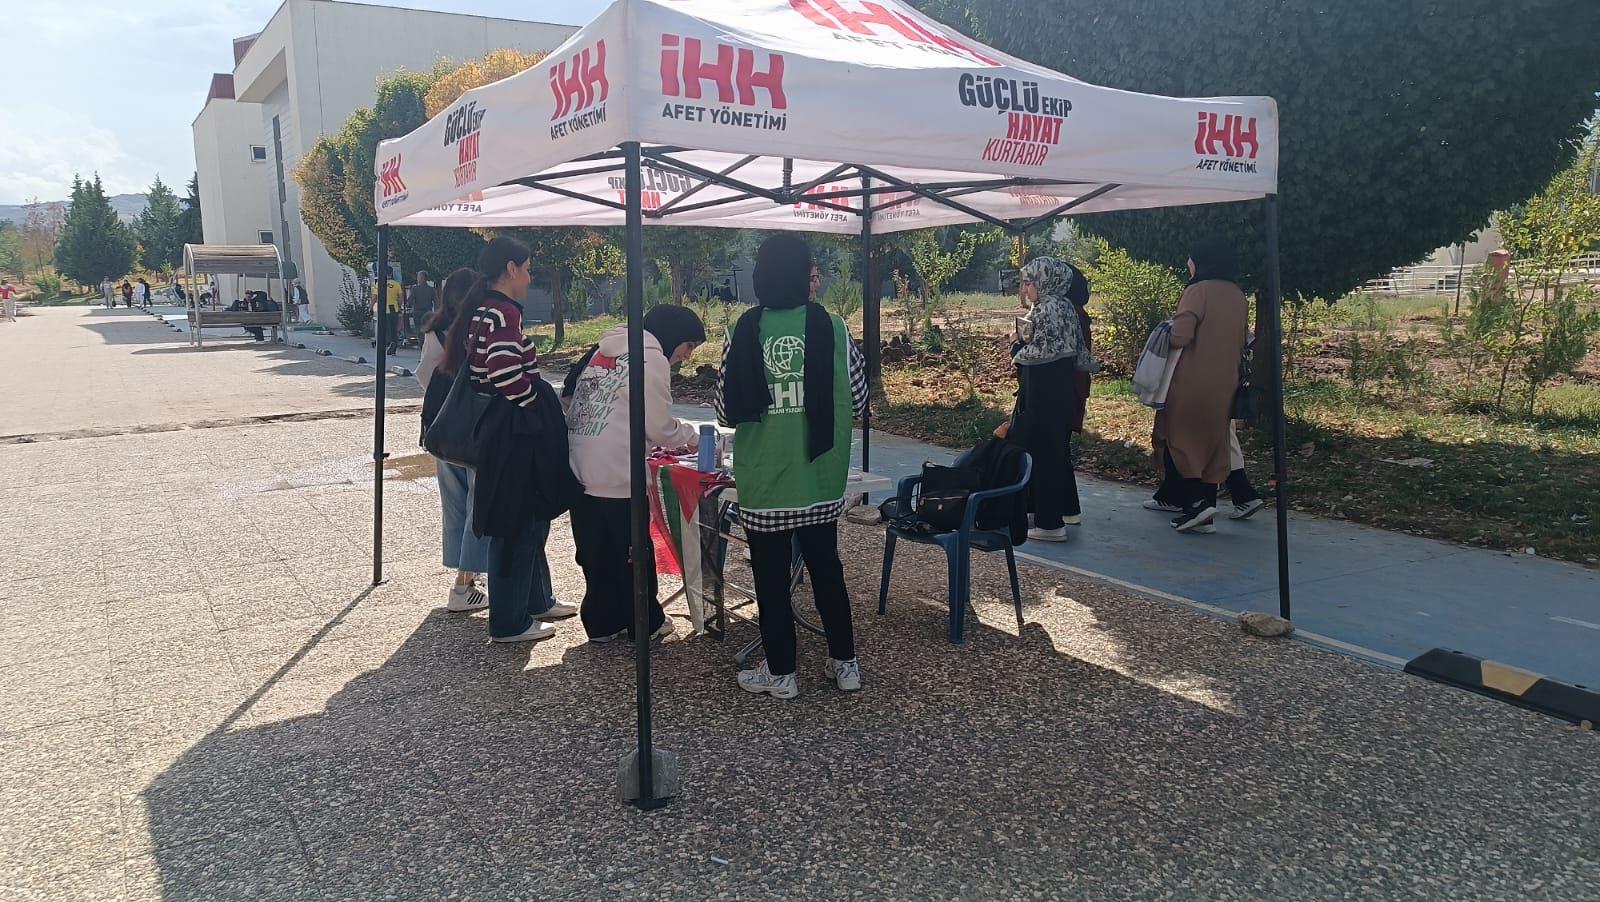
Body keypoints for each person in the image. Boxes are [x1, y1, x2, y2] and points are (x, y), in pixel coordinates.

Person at [715, 233, 869, 699]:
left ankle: (781, 674)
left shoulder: (744, 330)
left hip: (766, 479)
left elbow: (724, 410)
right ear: (804, 276)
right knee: (826, 570)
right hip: (819, 475)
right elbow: (859, 398)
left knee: (771, 579)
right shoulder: (834, 327)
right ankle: (845, 664)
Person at [450, 237, 577, 642]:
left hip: (500, 430)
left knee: (527, 521)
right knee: (517, 524)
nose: (529, 277)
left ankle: (535, 601)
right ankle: (510, 621)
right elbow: (504, 372)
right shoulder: (503, 313)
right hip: (513, 434)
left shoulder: (484, 309)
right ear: (510, 268)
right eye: (526, 269)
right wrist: (535, 405)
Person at [562, 305, 705, 644]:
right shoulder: (650, 358)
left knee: (596, 554)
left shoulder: (604, 349)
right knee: (633, 555)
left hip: (580, 465)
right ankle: (646, 623)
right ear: (673, 336)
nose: (686, 356)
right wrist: (694, 437)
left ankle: (601, 623)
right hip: (619, 471)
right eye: (688, 346)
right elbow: (659, 426)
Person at [1151, 237, 1250, 533]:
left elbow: (1181, 336)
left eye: (1190, 258)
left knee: (1181, 439)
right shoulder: (1238, 295)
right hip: (1226, 382)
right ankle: (1206, 512)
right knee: (1213, 443)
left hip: (1191, 381)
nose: (1188, 263)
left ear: (1201, 261)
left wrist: (1163, 331)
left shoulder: (1197, 291)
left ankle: (1196, 504)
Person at [999, 257, 1094, 542]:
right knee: (1053, 453)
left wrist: (1015, 344)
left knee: (1043, 456)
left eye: (1029, 283)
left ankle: (1049, 524)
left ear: (1045, 281)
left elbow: (1036, 354)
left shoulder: (1047, 310)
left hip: (1043, 391)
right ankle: (1056, 513)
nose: (1026, 289)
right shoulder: (1065, 307)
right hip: (1060, 390)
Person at [417, 268, 493, 614]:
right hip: (476, 430)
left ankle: (464, 579)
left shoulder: (436, 330)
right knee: (480, 505)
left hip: (442, 430)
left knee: (454, 505)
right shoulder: (481, 329)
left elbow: (424, 375)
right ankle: (464, 582)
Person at [372, 273, 403, 354]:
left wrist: (371, 307)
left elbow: (374, 297)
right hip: (393, 309)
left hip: (383, 309)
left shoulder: (379, 284)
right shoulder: (396, 284)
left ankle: (387, 344)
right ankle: (393, 344)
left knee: (384, 329)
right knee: (393, 329)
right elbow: (400, 298)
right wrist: (399, 306)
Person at [408, 271, 435, 340]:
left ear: (421, 278)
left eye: (418, 277)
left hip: (417, 312)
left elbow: (410, 301)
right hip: (428, 312)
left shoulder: (415, 289)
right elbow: (437, 302)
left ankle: (421, 342)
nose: (417, 279)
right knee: (428, 329)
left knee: (418, 329)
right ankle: (426, 341)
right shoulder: (431, 289)